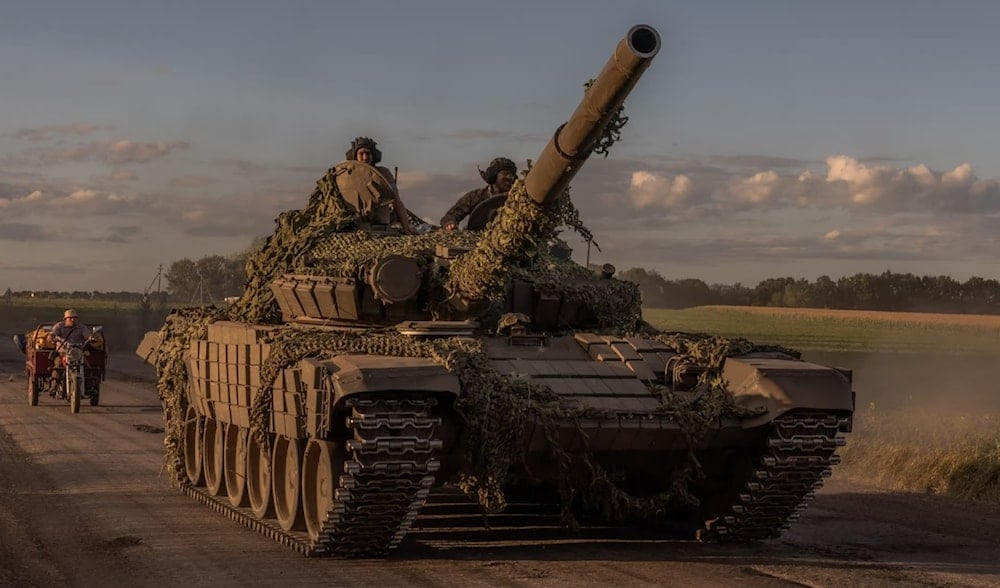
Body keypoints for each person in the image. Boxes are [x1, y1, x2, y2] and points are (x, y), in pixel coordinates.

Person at [344, 137, 416, 234]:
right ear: (355, 156)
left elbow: (396, 202)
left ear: (373, 155)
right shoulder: (346, 176)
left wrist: (406, 226)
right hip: (356, 229)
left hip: (381, 228)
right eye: (361, 154)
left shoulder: (384, 174)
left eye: (368, 153)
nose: (365, 157)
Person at [440, 157, 517, 231]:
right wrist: (450, 223)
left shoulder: (517, 198)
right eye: (505, 173)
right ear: (493, 176)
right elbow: (452, 214)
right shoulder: (476, 196)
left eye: (511, 175)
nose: (509, 177)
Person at [49, 309, 92, 396]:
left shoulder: (81, 327)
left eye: (75, 318)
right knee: (58, 366)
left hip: (77, 352)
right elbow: (52, 335)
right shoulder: (59, 326)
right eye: (70, 318)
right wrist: (52, 337)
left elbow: (87, 335)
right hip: (63, 352)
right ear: (65, 319)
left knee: (87, 367)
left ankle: (89, 386)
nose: (73, 319)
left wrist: (90, 338)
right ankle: (54, 386)